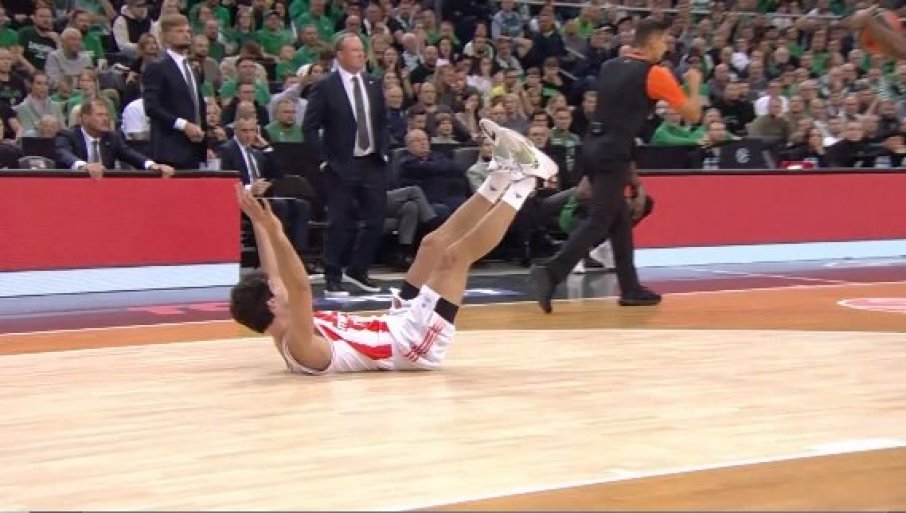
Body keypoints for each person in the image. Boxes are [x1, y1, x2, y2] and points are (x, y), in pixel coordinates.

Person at [229, 119, 556, 375]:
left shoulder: (282, 322)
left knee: (431, 245)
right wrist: (277, 232)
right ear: (272, 304)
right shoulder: (298, 344)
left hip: (396, 322)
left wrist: (260, 222)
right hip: (413, 345)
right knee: (454, 257)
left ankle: (501, 177)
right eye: (275, 289)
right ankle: (529, 180)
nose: (279, 284)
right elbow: (300, 287)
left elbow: (275, 273)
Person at [528, 17, 703, 313]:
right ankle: (552, 271)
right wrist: (694, 86)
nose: (666, 48)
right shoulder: (655, 73)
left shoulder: (610, 66)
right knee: (601, 219)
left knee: (619, 218)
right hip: (614, 152)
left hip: (593, 145)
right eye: (664, 41)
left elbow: (612, 114)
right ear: (652, 42)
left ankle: (630, 287)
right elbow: (693, 115)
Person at [302, 31, 389, 296]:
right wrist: (324, 161)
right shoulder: (325, 86)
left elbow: (381, 122)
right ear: (340, 55)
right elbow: (309, 127)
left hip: (372, 161)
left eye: (362, 50)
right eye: (354, 50)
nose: (361, 54)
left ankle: (358, 270)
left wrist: (384, 151)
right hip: (341, 163)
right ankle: (332, 275)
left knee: (376, 220)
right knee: (338, 222)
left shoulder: (373, 83)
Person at [219, 114, 312, 258]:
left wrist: (267, 148)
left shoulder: (258, 151)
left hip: (263, 198)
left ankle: (298, 255)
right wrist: (251, 188)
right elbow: (225, 182)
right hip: (242, 199)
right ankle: (275, 254)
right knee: (279, 206)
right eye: (244, 131)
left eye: (252, 130)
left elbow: (278, 174)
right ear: (235, 131)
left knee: (301, 206)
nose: (249, 135)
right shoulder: (227, 150)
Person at [142, 13, 207, 170]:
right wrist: (184, 125)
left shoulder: (192, 67)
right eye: (179, 31)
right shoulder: (157, 66)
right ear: (165, 36)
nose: (186, 35)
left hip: (194, 148)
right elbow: (152, 107)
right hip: (169, 150)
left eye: (188, 31)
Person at [55, 98, 175, 179]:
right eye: (99, 115)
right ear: (85, 118)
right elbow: (63, 154)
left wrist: (152, 165)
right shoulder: (68, 135)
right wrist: (84, 166)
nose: (105, 119)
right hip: (72, 188)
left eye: (107, 115)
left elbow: (130, 154)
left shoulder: (112, 137)